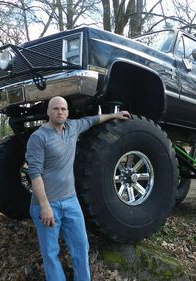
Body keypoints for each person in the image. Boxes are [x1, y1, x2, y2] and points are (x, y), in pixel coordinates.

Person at [26, 96, 130, 281]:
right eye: (56, 109)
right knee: (51, 254)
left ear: (67, 112)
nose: (60, 112)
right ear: (48, 112)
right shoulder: (38, 137)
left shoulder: (72, 127)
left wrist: (115, 115)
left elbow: (93, 120)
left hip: (71, 202)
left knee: (81, 247)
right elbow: (35, 174)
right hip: (47, 206)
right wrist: (45, 206)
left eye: (63, 109)